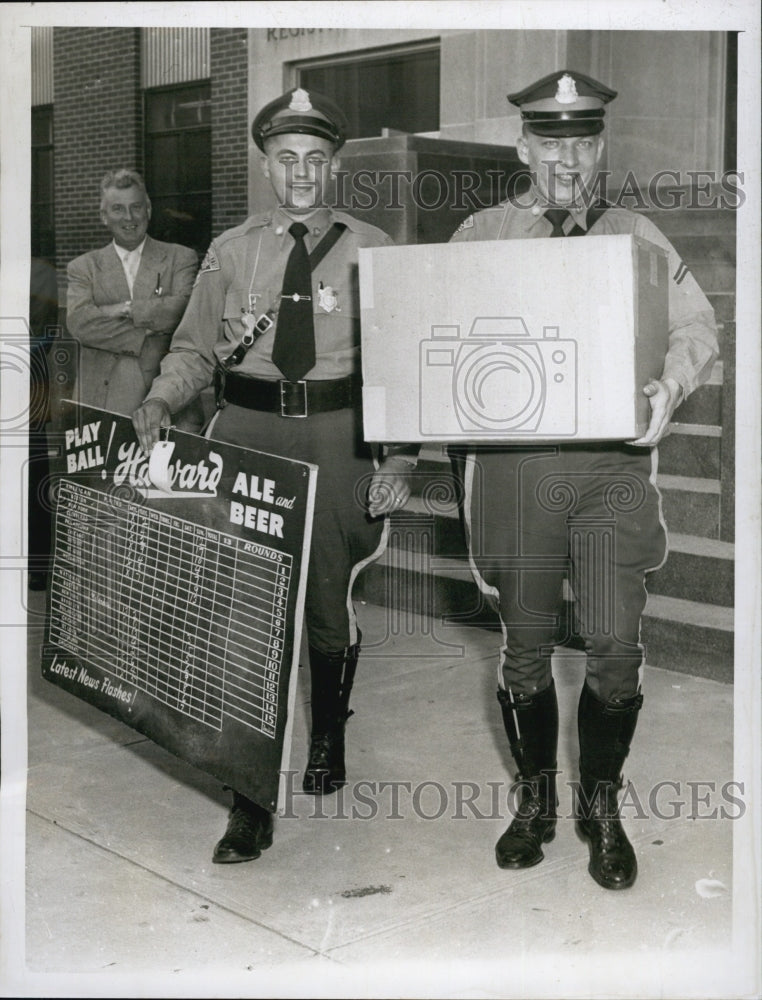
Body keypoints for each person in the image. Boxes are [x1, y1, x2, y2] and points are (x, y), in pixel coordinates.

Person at [449, 70, 719, 890]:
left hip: (610, 469)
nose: (569, 157)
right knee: (525, 650)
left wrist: (671, 384)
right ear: (523, 145)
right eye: (552, 141)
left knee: (614, 648)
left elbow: (699, 325)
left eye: (585, 140)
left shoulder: (639, 233)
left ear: (601, 146)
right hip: (514, 471)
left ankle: (600, 809)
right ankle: (533, 802)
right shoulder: (481, 234)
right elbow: (428, 331)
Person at [133, 88, 413, 865]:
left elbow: (401, 365)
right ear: (266, 165)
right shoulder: (231, 249)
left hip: (337, 434)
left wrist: (400, 456)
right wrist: (160, 398)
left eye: (315, 160)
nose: (300, 173)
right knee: (243, 610)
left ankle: (326, 735)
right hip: (249, 433)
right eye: (286, 159)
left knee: (328, 600)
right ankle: (250, 798)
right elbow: (194, 349)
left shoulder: (375, 248)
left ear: (334, 166)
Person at [66, 169, 203, 429]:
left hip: (167, 404)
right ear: (104, 216)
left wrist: (125, 309)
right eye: (117, 209)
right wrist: (151, 334)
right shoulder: (83, 267)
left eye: (136, 207)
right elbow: (80, 324)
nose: (128, 218)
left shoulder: (181, 258)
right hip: (101, 405)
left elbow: (183, 312)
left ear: (148, 210)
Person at [28, 257, 60, 591]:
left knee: (32, 477)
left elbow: (43, 336)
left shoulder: (39, 273)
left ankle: (36, 565)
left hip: (27, 392)